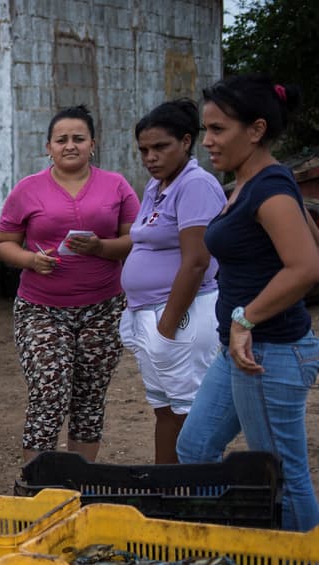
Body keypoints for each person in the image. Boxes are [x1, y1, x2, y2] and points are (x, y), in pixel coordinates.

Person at [177, 76, 319, 531]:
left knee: (281, 475)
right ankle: (223, 548)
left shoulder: (270, 188)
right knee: (196, 448)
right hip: (239, 352)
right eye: (206, 130)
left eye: (218, 130)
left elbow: (305, 267)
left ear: (255, 130)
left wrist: (246, 318)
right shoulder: (250, 182)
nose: (208, 142)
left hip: (268, 353)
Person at [0, 105, 139, 463]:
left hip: (103, 309)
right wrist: (30, 260)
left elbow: (135, 239)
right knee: (49, 391)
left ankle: (80, 483)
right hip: (41, 309)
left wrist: (101, 248)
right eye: (61, 140)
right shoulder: (27, 190)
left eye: (79, 138)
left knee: (89, 397)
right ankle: (36, 485)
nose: (70, 145)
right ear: (48, 147)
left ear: (93, 143)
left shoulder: (116, 185)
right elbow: (3, 243)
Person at [119, 100, 225, 463]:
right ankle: (165, 490)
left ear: (185, 141)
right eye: (144, 150)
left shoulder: (195, 185)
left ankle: (194, 495)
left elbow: (197, 261)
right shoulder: (157, 186)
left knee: (189, 412)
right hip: (150, 314)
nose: (150, 157)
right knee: (165, 410)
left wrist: (166, 326)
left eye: (160, 147)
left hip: (181, 315)